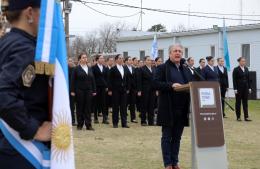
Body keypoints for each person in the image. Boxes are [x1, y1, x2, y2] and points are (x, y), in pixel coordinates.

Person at [0, 1, 52, 168]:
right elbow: (3, 93)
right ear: (29, 13)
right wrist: (34, 130)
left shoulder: (6, 42)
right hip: (20, 149)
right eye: (42, 12)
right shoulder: (25, 47)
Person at [154, 44, 192, 169]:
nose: (178, 53)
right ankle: (168, 163)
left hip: (182, 109)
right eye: (175, 51)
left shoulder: (185, 69)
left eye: (180, 51)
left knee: (177, 137)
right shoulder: (162, 68)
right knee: (167, 137)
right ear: (169, 53)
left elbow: (191, 84)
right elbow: (155, 84)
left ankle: (175, 162)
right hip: (168, 108)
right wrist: (171, 86)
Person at [71, 53, 96, 130]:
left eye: (86, 57)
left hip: (89, 90)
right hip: (79, 91)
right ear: (80, 59)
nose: (85, 59)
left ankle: (88, 125)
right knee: (80, 107)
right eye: (83, 57)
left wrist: (94, 90)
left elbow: (93, 80)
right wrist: (72, 90)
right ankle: (80, 124)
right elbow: (73, 80)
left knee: (88, 108)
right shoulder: (76, 69)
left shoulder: (89, 68)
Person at [108, 54, 130, 128]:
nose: (121, 59)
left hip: (123, 90)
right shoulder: (113, 69)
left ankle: (124, 123)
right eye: (120, 58)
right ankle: (115, 123)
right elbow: (110, 80)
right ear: (116, 60)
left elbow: (127, 79)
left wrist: (127, 88)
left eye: (122, 58)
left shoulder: (125, 68)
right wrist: (110, 90)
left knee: (123, 107)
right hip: (115, 90)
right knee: (115, 107)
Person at [137, 56, 156, 126]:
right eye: (148, 60)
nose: (149, 61)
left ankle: (151, 121)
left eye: (150, 60)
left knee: (151, 106)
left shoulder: (154, 69)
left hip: (153, 90)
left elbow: (155, 80)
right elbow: (139, 81)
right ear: (145, 61)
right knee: (144, 105)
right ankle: (143, 121)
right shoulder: (141, 69)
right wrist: (139, 90)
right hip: (144, 90)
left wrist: (156, 89)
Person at [232, 57, 252, 121]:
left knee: (245, 103)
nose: (243, 62)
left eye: (244, 61)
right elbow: (234, 80)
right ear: (239, 62)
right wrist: (235, 89)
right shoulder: (236, 69)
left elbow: (248, 79)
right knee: (238, 103)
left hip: (245, 88)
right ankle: (238, 117)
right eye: (242, 61)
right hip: (238, 88)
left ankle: (246, 117)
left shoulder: (246, 69)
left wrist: (249, 87)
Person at [92, 54, 109, 124]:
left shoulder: (105, 68)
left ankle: (104, 118)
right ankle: (95, 118)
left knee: (104, 103)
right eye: (101, 58)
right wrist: (93, 88)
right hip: (96, 87)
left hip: (103, 88)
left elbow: (107, 78)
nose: (102, 59)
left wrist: (107, 86)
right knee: (96, 103)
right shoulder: (93, 68)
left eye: (103, 58)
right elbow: (92, 79)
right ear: (97, 59)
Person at [124, 57, 138, 123]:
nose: (130, 61)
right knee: (125, 103)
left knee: (133, 103)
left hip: (133, 88)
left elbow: (135, 78)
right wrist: (126, 88)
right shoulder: (124, 68)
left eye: (131, 60)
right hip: (127, 88)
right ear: (126, 61)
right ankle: (124, 117)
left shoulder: (133, 68)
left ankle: (133, 118)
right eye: (129, 60)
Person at [68, 58, 76, 125]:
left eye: (71, 61)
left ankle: (73, 120)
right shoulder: (65, 69)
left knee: (72, 106)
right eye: (69, 61)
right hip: (66, 90)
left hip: (73, 90)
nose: (70, 62)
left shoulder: (75, 69)